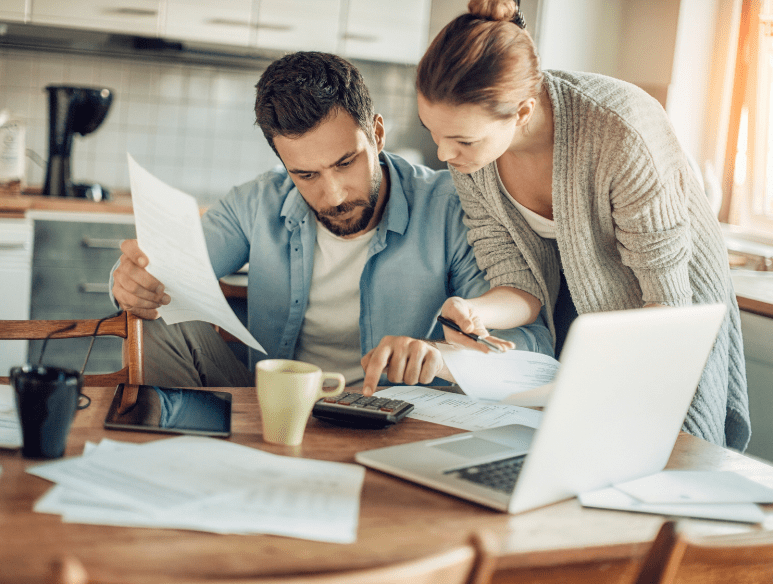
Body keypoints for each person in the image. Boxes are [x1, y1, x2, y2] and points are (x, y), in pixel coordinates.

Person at [110, 51, 552, 396]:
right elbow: (166, 270)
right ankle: (173, 459)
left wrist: (443, 357)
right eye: (306, 175)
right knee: (153, 316)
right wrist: (132, 280)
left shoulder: (451, 207)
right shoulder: (256, 203)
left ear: (377, 134)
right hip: (271, 405)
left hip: (395, 416)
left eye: (346, 162)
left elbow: (532, 347)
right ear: (283, 163)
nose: (334, 195)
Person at [414, 0, 750, 450]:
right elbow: (520, 284)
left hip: (671, 310)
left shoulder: (622, 131)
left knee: (664, 454)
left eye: (461, 140)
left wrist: (591, 380)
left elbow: (668, 307)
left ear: (523, 112)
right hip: (587, 313)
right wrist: (478, 312)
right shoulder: (474, 157)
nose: (444, 155)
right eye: (434, 134)